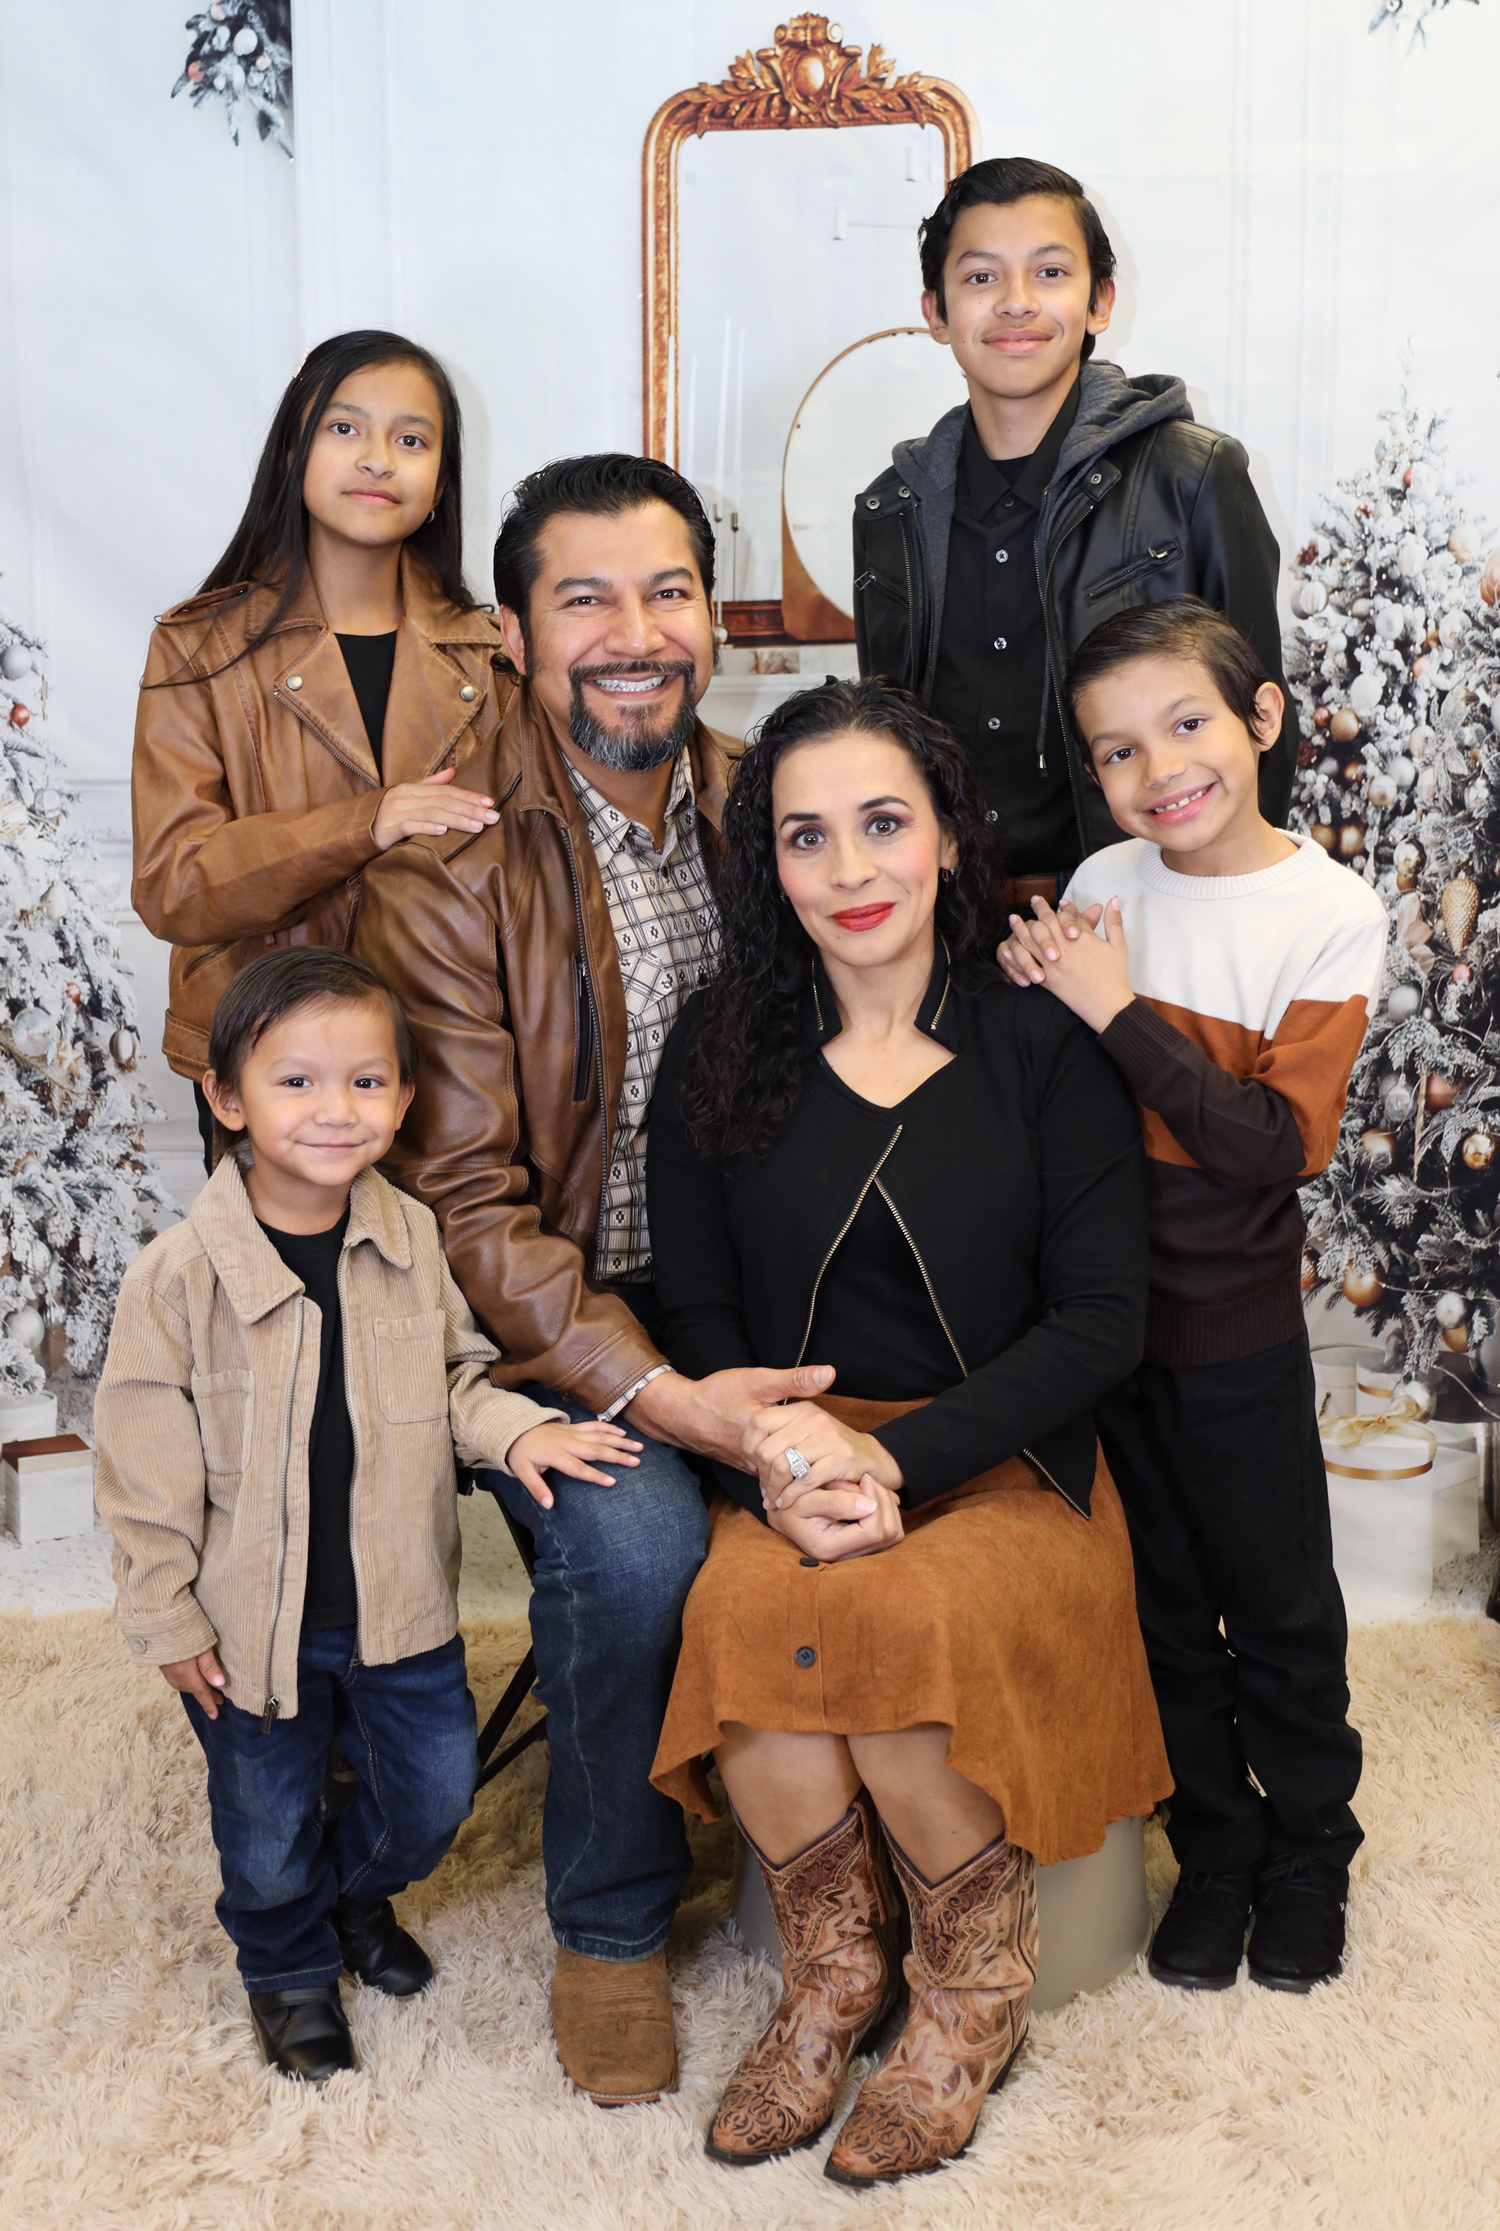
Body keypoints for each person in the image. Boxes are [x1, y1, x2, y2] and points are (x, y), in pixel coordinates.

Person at [352, 453, 834, 2108]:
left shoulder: (769, 803)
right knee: (638, 1551)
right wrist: (663, 1394)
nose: (636, 633)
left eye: (668, 590)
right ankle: (614, 1920)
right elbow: (469, 1205)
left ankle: (853, 1865)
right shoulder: (448, 861)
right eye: (586, 599)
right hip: (539, 1316)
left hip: (748, 1275)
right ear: (513, 633)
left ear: (713, 612)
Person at [645, 675, 1171, 2186]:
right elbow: (695, 1306)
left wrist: (895, 1459)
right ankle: (833, 1980)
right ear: (771, 866)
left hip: (1010, 1454)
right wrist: (784, 1456)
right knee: (744, 1607)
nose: (851, 868)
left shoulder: (1041, 1037)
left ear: (948, 832)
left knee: (898, 1618)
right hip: (798, 1453)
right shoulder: (720, 1039)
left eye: (884, 822)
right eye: (807, 836)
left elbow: (1100, 1323)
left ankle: (966, 1998)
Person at [94, 948, 640, 2085]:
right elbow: (141, 1473)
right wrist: (167, 1616)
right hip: (251, 1627)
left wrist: (516, 1432)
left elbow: (455, 1379)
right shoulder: (176, 1278)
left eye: (365, 1081)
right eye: (295, 1081)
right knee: (265, 1820)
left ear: (400, 1099)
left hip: (400, 1609)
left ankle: (352, 1896)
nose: (335, 1108)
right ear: (228, 1098)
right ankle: (287, 1965)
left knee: (434, 1795)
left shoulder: (410, 1238)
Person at [999, 597, 1387, 1996]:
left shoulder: (1329, 912)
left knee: (1277, 1606)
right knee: (1160, 1606)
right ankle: (1218, 1848)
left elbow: (1272, 1143)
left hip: (1234, 1331)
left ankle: (1312, 1851)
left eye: (1185, 724)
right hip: (1104, 1326)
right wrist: (1041, 982)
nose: (1158, 768)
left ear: (1262, 717)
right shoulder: (1109, 878)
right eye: (1116, 749)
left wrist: (1114, 1006)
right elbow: (1065, 1088)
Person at [852, 154, 1297, 918]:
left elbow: (1260, 728)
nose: (1016, 303)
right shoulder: (889, 509)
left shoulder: (1190, 477)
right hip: (946, 922)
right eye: (982, 277)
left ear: (1100, 301)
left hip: (1141, 913)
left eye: (1051, 272)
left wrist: (1225, 915)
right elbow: (885, 739)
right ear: (936, 311)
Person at [131, 329, 511, 1172]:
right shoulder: (198, 648)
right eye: (345, 428)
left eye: (411, 439)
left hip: (445, 1058)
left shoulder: (493, 656)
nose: (378, 459)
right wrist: (368, 821)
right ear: (292, 449)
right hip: (269, 1064)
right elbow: (174, 884)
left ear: (441, 479)